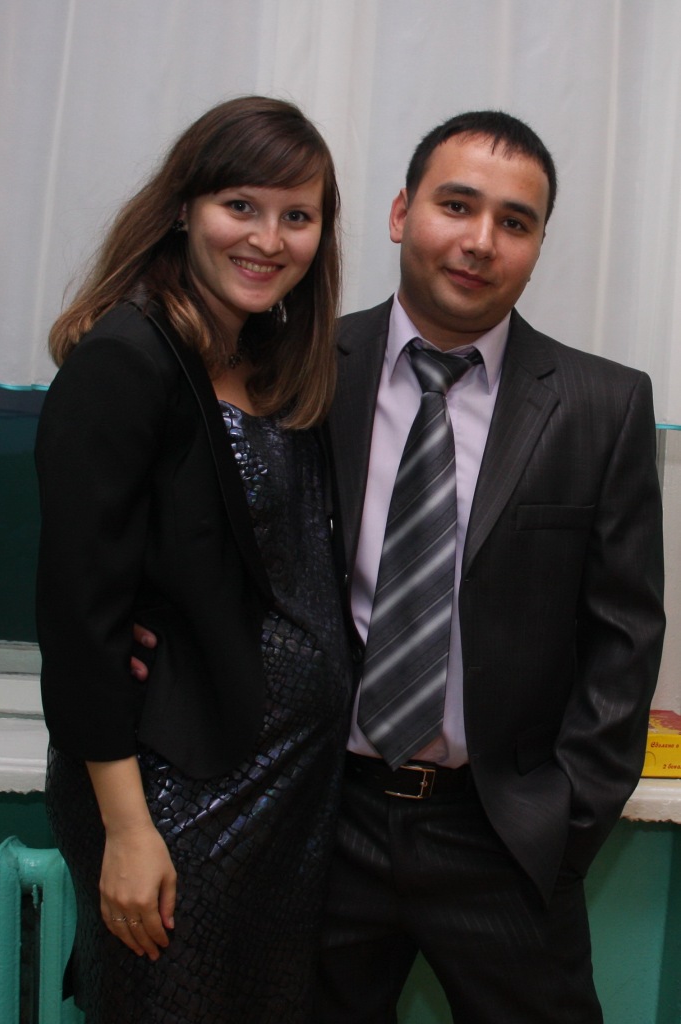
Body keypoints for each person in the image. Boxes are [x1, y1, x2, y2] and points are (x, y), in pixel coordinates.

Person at [312, 111, 666, 1023]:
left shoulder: (602, 405)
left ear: (539, 246)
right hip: (323, 822)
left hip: (501, 834)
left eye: (515, 221)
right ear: (402, 213)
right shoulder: (303, 371)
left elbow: (625, 638)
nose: (480, 241)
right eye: (457, 205)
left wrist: (564, 823)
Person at [35, 96, 351, 1024]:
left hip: (291, 794)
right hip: (175, 794)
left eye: (297, 216)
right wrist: (129, 830)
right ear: (183, 207)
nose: (268, 239)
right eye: (240, 206)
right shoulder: (126, 359)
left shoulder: (276, 358)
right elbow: (79, 620)